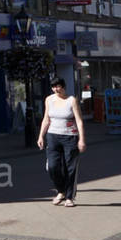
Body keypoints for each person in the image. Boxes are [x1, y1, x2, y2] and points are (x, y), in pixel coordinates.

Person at [37, 77, 86, 207]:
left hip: (70, 137)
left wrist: (81, 139)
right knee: (52, 167)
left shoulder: (71, 100)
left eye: (58, 86)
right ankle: (61, 191)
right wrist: (41, 136)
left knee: (70, 168)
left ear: (63, 86)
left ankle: (69, 197)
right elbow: (46, 119)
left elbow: (79, 121)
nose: (56, 89)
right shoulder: (49, 99)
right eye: (53, 87)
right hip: (52, 136)